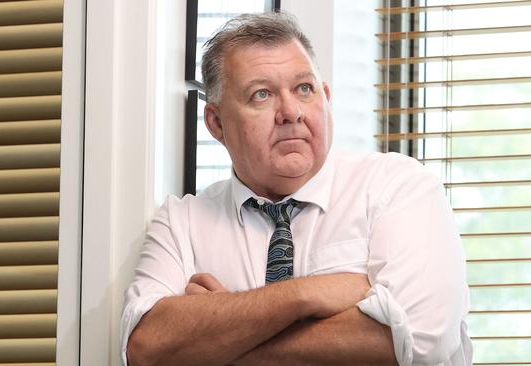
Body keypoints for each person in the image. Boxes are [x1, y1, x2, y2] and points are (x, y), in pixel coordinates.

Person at [122, 11, 472, 366]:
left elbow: (417, 340)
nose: (290, 112)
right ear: (216, 123)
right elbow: (146, 348)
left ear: (326, 97)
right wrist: (305, 296)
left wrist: (222, 337)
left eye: (304, 89)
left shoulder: (398, 188)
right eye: (261, 95)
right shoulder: (182, 223)